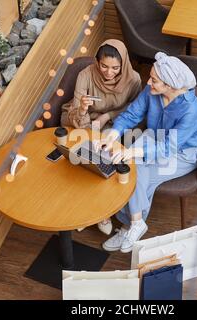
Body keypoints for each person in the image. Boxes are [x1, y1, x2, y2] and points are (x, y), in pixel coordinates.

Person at [97, 52, 197, 253]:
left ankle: (129, 225)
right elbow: (132, 114)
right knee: (131, 169)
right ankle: (135, 223)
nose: (148, 82)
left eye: (154, 80)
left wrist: (134, 152)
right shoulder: (150, 91)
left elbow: (169, 147)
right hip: (153, 137)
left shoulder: (191, 110)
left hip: (183, 152)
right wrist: (114, 133)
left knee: (138, 174)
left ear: (170, 85)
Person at [61, 39, 142, 235]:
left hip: (115, 122)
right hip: (80, 119)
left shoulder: (134, 79)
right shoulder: (85, 75)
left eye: (115, 68)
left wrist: (108, 115)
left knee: (103, 159)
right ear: (97, 62)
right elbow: (76, 114)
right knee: (82, 158)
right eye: (104, 66)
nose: (109, 72)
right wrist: (83, 109)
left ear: (123, 64)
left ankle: (100, 211)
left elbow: (135, 109)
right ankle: (83, 207)